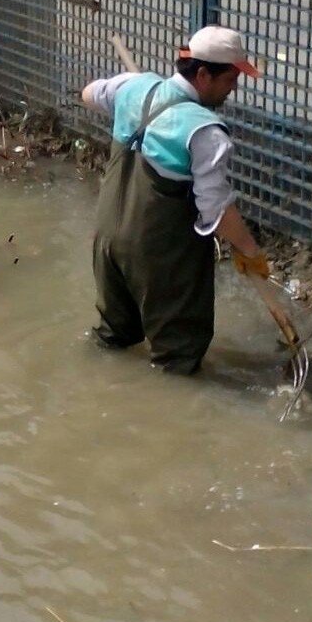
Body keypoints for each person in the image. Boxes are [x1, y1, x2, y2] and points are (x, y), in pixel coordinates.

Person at [79, 25, 272, 374]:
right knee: (177, 360)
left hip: (107, 241)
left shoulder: (133, 86)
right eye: (230, 79)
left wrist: (135, 104)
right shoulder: (206, 132)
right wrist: (250, 252)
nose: (234, 89)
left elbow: (89, 94)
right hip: (158, 256)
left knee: (113, 339)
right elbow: (215, 209)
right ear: (202, 74)